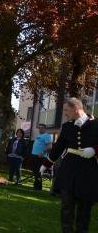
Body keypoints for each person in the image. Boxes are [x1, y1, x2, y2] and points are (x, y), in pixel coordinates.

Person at [39, 98, 98, 233]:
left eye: (66, 110)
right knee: (66, 208)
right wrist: (46, 164)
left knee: (84, 210)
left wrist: (95, 150)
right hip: (69, 171)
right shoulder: (67, 127)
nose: (65, 113)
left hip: (88, 172)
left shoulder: (96, 124)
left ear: (76, 108)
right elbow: (58, 148)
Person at [30, 123, 52, 190]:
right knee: (36, 172)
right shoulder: (39, 135)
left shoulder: (47, 135)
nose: (40, 129)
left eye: (42, 128)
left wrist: (42, 152)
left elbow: (50, 146)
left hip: (40, 157)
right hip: (35, 156)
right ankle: (37, 186)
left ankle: (37, 187)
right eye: (39, 128)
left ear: (45, 129)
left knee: (38, 172)